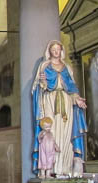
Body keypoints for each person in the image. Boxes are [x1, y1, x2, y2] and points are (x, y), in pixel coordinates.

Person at [32, 40, 87, 176]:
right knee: (51, 131)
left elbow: (71, 86)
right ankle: (51, 166)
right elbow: (38, 88)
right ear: (49, 51)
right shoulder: (44, 66)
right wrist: (43, 82)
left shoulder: (66, 67)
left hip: (66, 101)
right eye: (53, 49)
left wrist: (77, 98)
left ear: (61, 50)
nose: (56, 52)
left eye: (58, 49)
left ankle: (65, 167)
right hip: (50, 100)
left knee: (66, 133)